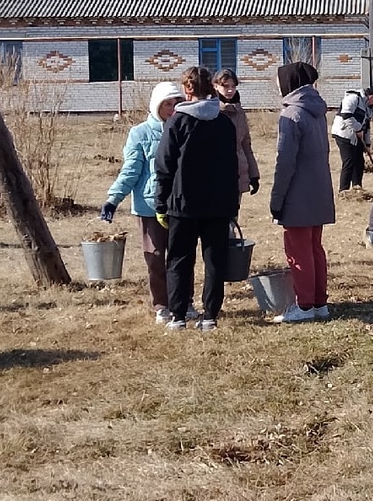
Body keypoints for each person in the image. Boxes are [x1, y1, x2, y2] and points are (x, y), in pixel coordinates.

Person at [153, 66, 240, 331]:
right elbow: (232, 166)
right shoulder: (224, 122)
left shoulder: (177, 122)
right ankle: (210, 316)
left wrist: (160, 203)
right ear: (211, 88)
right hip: (218, 205)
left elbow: (164, 165)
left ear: (187, 90)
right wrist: (232, 204)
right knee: (214, 262)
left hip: (183, 204)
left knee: (179, 259)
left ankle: (178, 317)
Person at [100, 81, 180, 320]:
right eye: (167, 103)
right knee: (155, 258)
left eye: (176, 103)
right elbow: (131, 170)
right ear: (157, 105)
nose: (172, 108)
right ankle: (161, 306)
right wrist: (113, 199)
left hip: (179, 205)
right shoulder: (141, 133)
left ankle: (183, 302)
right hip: (149, 207)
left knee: (179, 258)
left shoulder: (184, 128)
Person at [269, 60, 335, 322]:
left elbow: (285, 161)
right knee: (314, 248)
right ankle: (319, 302)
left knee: (299, 251)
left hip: (297, 194)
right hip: (318, 191)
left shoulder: (290, 115)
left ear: (289, 83)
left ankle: (304, 305)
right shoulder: (316, 111)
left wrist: (277, 200)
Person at [213, 70, 260, 199]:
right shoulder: (211, 112)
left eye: (233, 86)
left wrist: (253, 174)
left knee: (233, 216)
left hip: (238, 172)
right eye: (225, 86)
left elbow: (246, 145)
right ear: (215, 86)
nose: (230, 90)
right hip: (216, 174)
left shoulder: (239, 112)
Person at [331, 86, 373, 195]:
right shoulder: (353, 98)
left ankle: (357, 189)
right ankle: (343, 191)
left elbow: (366, 127)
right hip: (343, 133)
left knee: (359, 162)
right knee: (349, 161)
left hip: (355, 136)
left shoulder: (366, 107)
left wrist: (367, 144)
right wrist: (357, 129)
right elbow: (346, 115)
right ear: (371, 97)